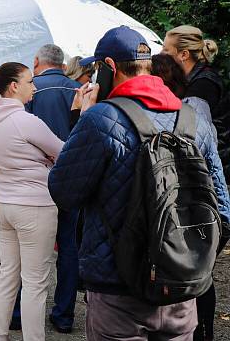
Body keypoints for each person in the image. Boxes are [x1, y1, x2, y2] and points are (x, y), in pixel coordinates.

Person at [48, 26, 230, 340]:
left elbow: (64, 191)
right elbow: (222, 209)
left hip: (118, 290)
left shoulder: (100, 119)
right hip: (181, 290)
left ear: (109, 67)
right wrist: (191, 262)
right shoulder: (194, 119)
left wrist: (81, 118)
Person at [0, 61, 64, 341]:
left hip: (5, 204)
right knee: (34, 283)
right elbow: (63, 152)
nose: (34, 87)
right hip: (34, 205)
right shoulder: (25, 121)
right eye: (29, 82)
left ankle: (0, 336)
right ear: (14, 86)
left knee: (8, 276)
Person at [161, 27, 224, 341]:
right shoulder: (200, 80)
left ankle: (201, 332)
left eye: (165, 48)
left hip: (208, 183)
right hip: (209, 181)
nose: (161, 54)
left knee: (200, 270)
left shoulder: (201, 88)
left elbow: (198, 140)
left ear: (182, 54)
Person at [23, 43, 82, 334]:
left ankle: (22, 311)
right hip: (74, 177)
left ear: (37, 62)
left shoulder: (32, 89)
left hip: (39, 177)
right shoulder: (80, 90)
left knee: (31, 246)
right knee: (69, 246)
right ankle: (64, 314)